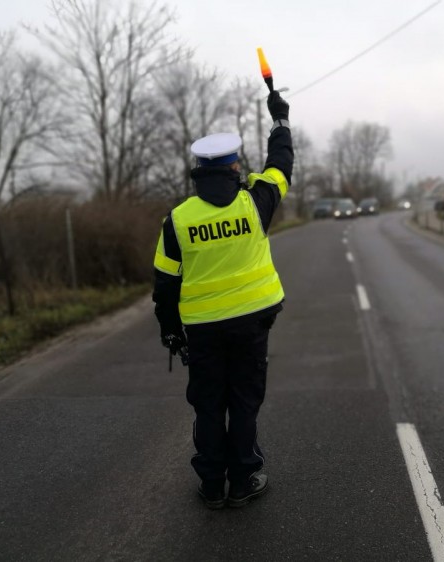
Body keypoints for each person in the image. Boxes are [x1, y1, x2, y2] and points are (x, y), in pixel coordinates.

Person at [152, 90, 292, 509]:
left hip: (202, 330)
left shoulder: (178, 220)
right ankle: (244, 479)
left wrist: (170, 332)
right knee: (245, 401)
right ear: (234, 167)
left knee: (209, 404)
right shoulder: (256, 201)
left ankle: (212, 485)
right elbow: (280, 166)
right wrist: (280, 121)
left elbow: (164, 284)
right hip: (252, 325)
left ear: (198, 169)